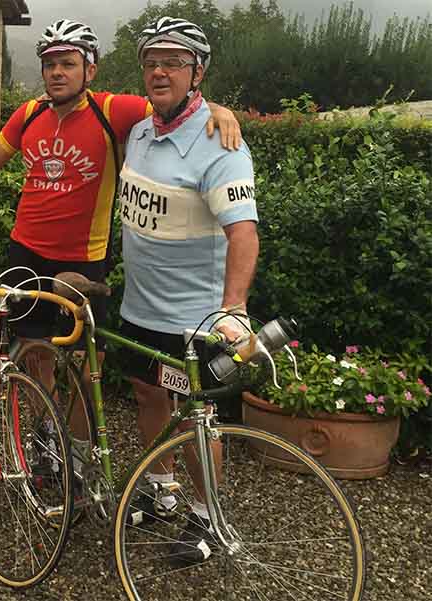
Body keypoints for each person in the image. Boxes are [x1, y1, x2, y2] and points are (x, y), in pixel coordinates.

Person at [0, 19, 240, 402]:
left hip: (84, 261)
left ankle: (77, 450)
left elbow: (174, 103)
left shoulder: (113, 111)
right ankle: (46, 444)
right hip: (25, 252)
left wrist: (216, 109)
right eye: (49, 64)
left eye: (68, 63)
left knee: (82, 365)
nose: (57, 72)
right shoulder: (28, 114)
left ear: (90, 69)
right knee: (31, 355)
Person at [117, 16, 259, 563]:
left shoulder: (220, 144)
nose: (158, 71)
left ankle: (209, 519)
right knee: (149, 394)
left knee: (198, 418)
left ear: (197, 71)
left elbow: (243, 232)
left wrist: (234, 307)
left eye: (173, 62)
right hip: (140, 306)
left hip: (192, 320)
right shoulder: (141, 130)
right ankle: (162, 488)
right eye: (151, 61)